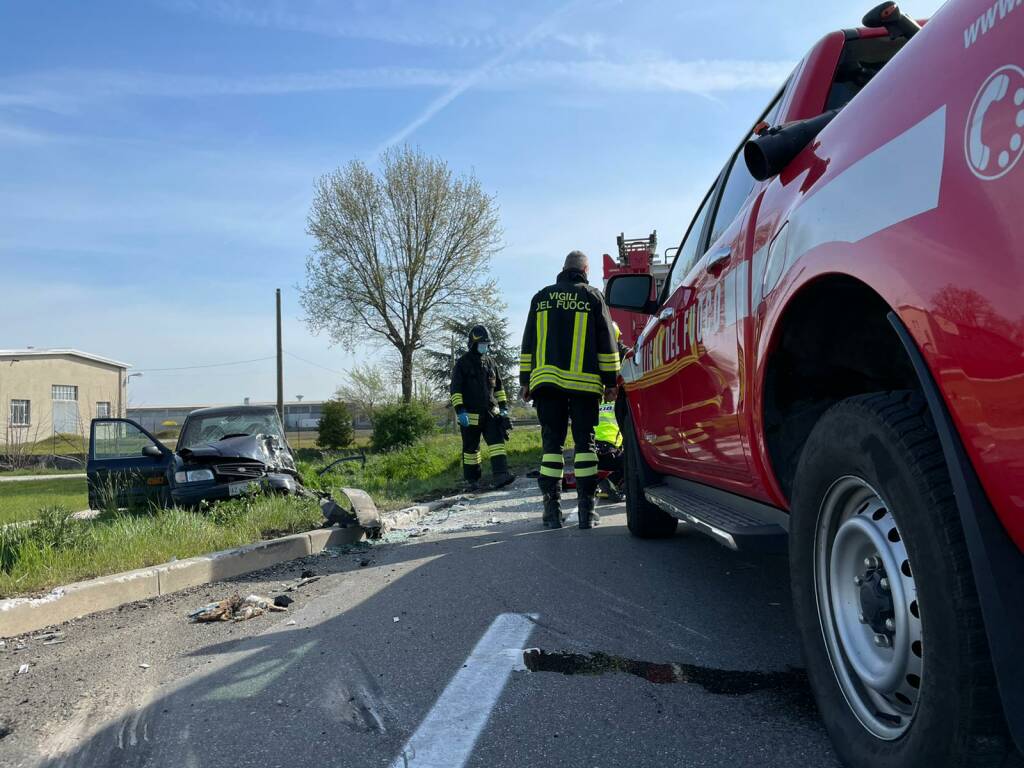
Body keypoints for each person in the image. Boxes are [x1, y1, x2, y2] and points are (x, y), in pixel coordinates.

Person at [520, 250, 620, 529]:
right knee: (585, 446)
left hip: (546, 384)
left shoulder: (540, 297)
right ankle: (587, 512)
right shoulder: (592, 296)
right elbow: (607, 340)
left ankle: (551, 512)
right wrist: (611, 382)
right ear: (585, 270)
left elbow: (528, 341)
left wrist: (525, 380)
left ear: (563, 268)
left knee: (551, 446)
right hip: (584, 385)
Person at [450, 324, 516, 491]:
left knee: (497, 444)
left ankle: (501, 475)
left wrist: (504, 409)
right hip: (470, 415)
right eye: (482, 344)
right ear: (473, 343)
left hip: (490, 413)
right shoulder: (462, 364)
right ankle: (473, 481)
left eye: (487, 344)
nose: (485, 347)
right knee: (471, 450)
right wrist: (460, 410)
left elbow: (499, 389)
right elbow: (455, 389)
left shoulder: (491, 363)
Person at [594, 322, 627, 501]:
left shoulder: (593, 360)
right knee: (628, 459)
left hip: (591, 449)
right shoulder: (625, 358)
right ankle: (620, 482)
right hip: (613, 450)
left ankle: (597, 484)